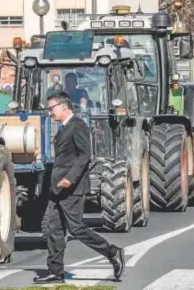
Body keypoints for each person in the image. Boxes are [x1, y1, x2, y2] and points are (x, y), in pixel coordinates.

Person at [33, 91, 125, 285]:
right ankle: (56, 272)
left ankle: (112, 252)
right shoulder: (62, 129)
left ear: (64, 107)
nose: (50, 112)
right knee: (54, 229)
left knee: (76, 229)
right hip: (58, 188)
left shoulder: (78, 126)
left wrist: (69, 178)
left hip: (71, 188)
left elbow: (85, 156)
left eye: (52, 108)